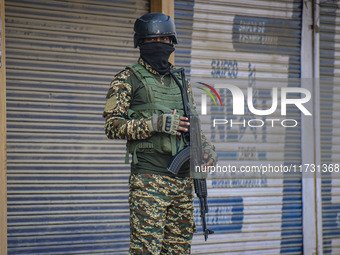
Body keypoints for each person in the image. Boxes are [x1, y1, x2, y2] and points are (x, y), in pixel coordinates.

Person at [103, 12, 217, 255]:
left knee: (178, 251)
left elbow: (193, 126)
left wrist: (208, 151)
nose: (159, 45)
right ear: (140, 44)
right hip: (149, 182)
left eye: (165, 39)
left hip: (183, 184)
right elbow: (112, 126)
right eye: (150, 41)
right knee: (146, 251)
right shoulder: (126, 79)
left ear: (172, 43)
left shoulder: (180, 81)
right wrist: (154, 124)